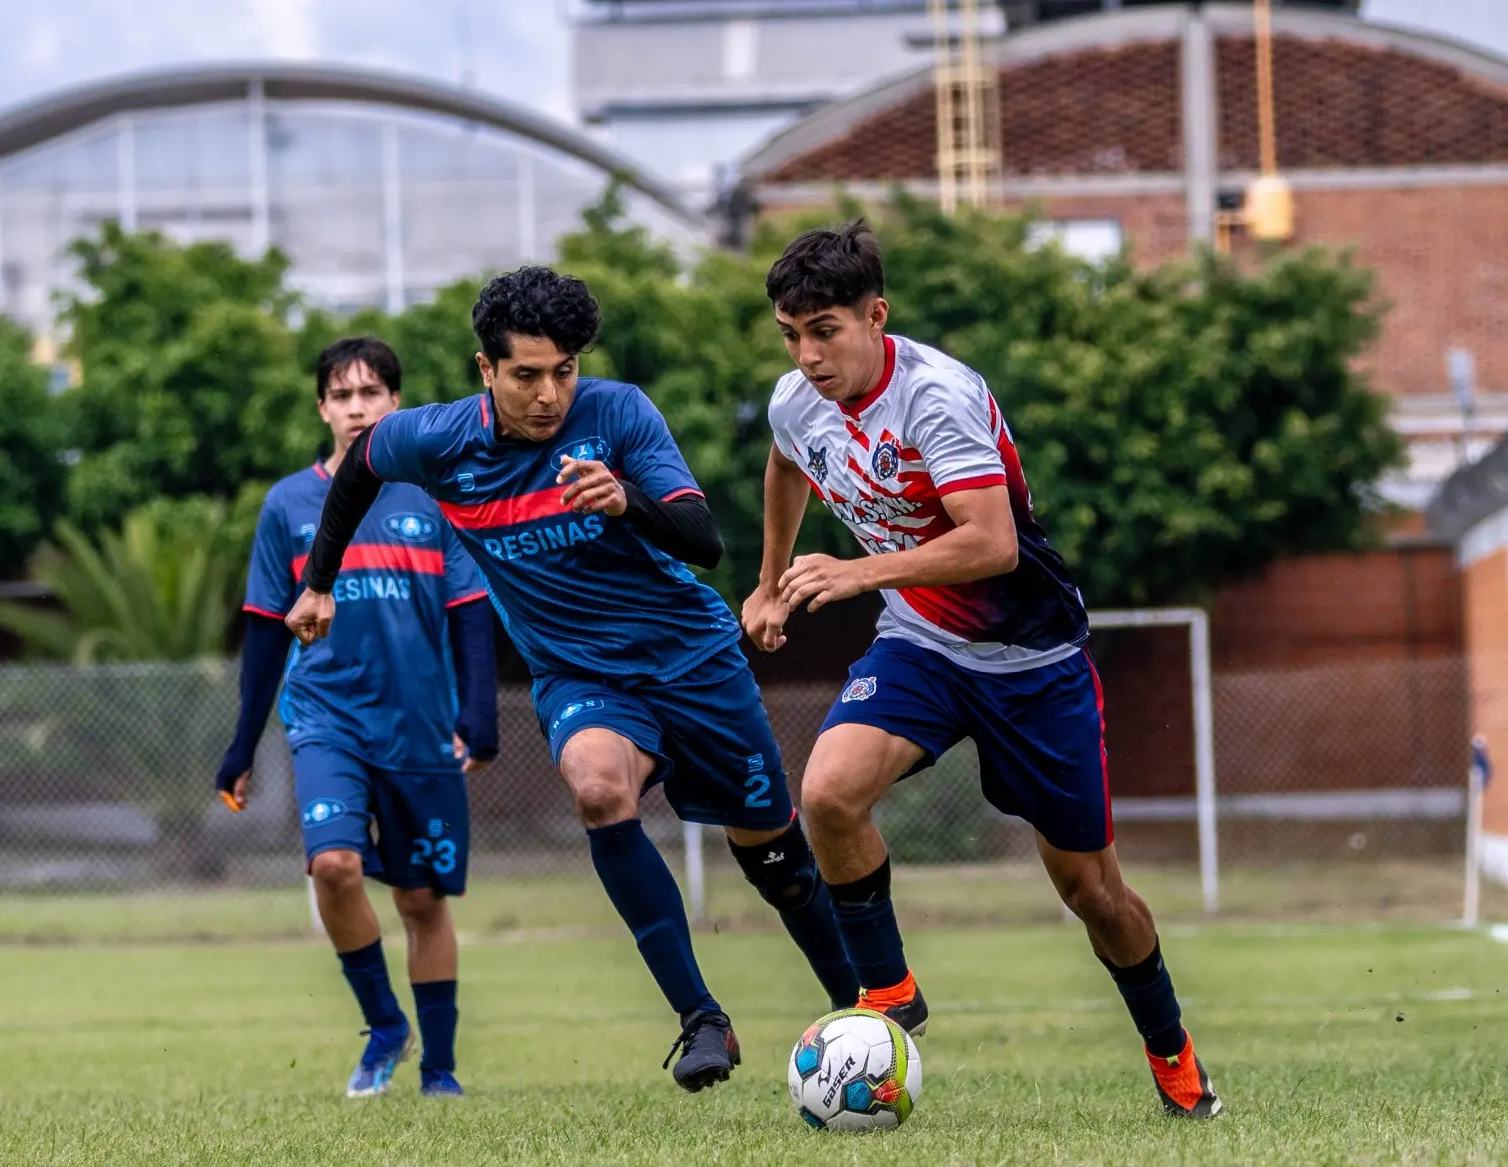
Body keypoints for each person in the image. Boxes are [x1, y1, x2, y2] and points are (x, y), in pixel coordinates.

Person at [283, 266, 859, 1093]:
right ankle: (701, 1019)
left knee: (777, 860)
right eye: (525, 375)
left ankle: (862, 1013)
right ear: (485, 371)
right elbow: (362, 465)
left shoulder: (617, 412)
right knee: (596, 786)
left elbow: (703, 542)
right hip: (581, 676)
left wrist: (626, 502)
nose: (549, 394)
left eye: (564, 370)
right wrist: (320, 581)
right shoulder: (438, 439)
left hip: (692, 661)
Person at [740, 220, 1222, 1119]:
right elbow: (786, 461)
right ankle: (888, 996)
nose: (806, 355)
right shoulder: (796, 401)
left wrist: (854, 572)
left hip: (1034, 665)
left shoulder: (936, 397)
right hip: (923, 645)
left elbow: (993, 545)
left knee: (1093, 893)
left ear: (875, 315)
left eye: (826, 330)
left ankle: (1173, 1053)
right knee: (830, 796)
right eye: (790, 333)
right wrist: (768, 584)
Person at [215, 337, 498, 1100]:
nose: (356, 407)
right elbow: (266, 629)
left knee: (420, 899)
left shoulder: (436, 496)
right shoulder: (288, 506)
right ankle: (383, 1027)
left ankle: (439, 1070)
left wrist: (479, 715)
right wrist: (242, 744)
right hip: (325, 719)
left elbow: (471, 611)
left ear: (395, 404)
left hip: (419, 727)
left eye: (370, 393)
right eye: (341, 396)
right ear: (322, 409)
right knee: (333, 866)